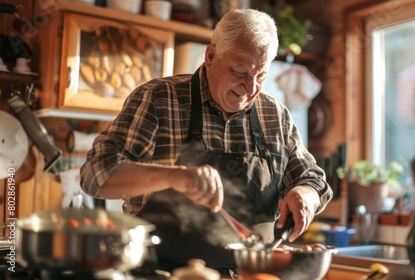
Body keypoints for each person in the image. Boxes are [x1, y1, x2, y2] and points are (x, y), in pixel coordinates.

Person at [80, 8, 333, 275]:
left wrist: (306, 194)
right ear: (211, 56)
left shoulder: (275, 115)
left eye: (261, 76)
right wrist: (175, 177)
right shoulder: (158, 99)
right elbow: (96, 174)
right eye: (240, 71)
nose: (250, 88)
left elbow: (313, 179)